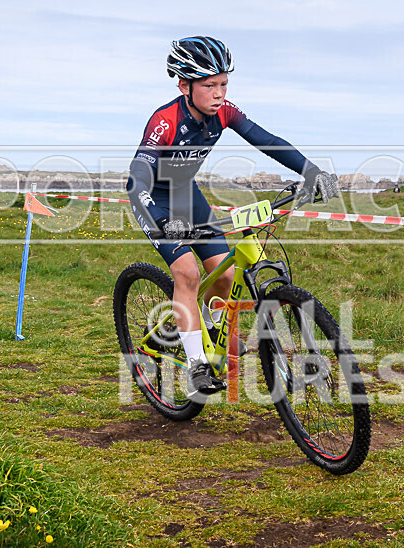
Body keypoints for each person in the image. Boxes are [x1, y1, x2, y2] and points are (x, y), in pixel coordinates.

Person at [126, 36, 338, 397]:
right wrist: (162, 222)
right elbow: (138, 177)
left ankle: (202, 329)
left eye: (224, 83)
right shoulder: (165, 121)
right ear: (184, 85)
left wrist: (310, 170)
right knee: (187, 272)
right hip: (153, 202)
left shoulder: (224, 113)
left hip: (185, 193)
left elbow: (265, 139)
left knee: (224, 275)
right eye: (209, 85)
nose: (219, 92)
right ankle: (196, 365)